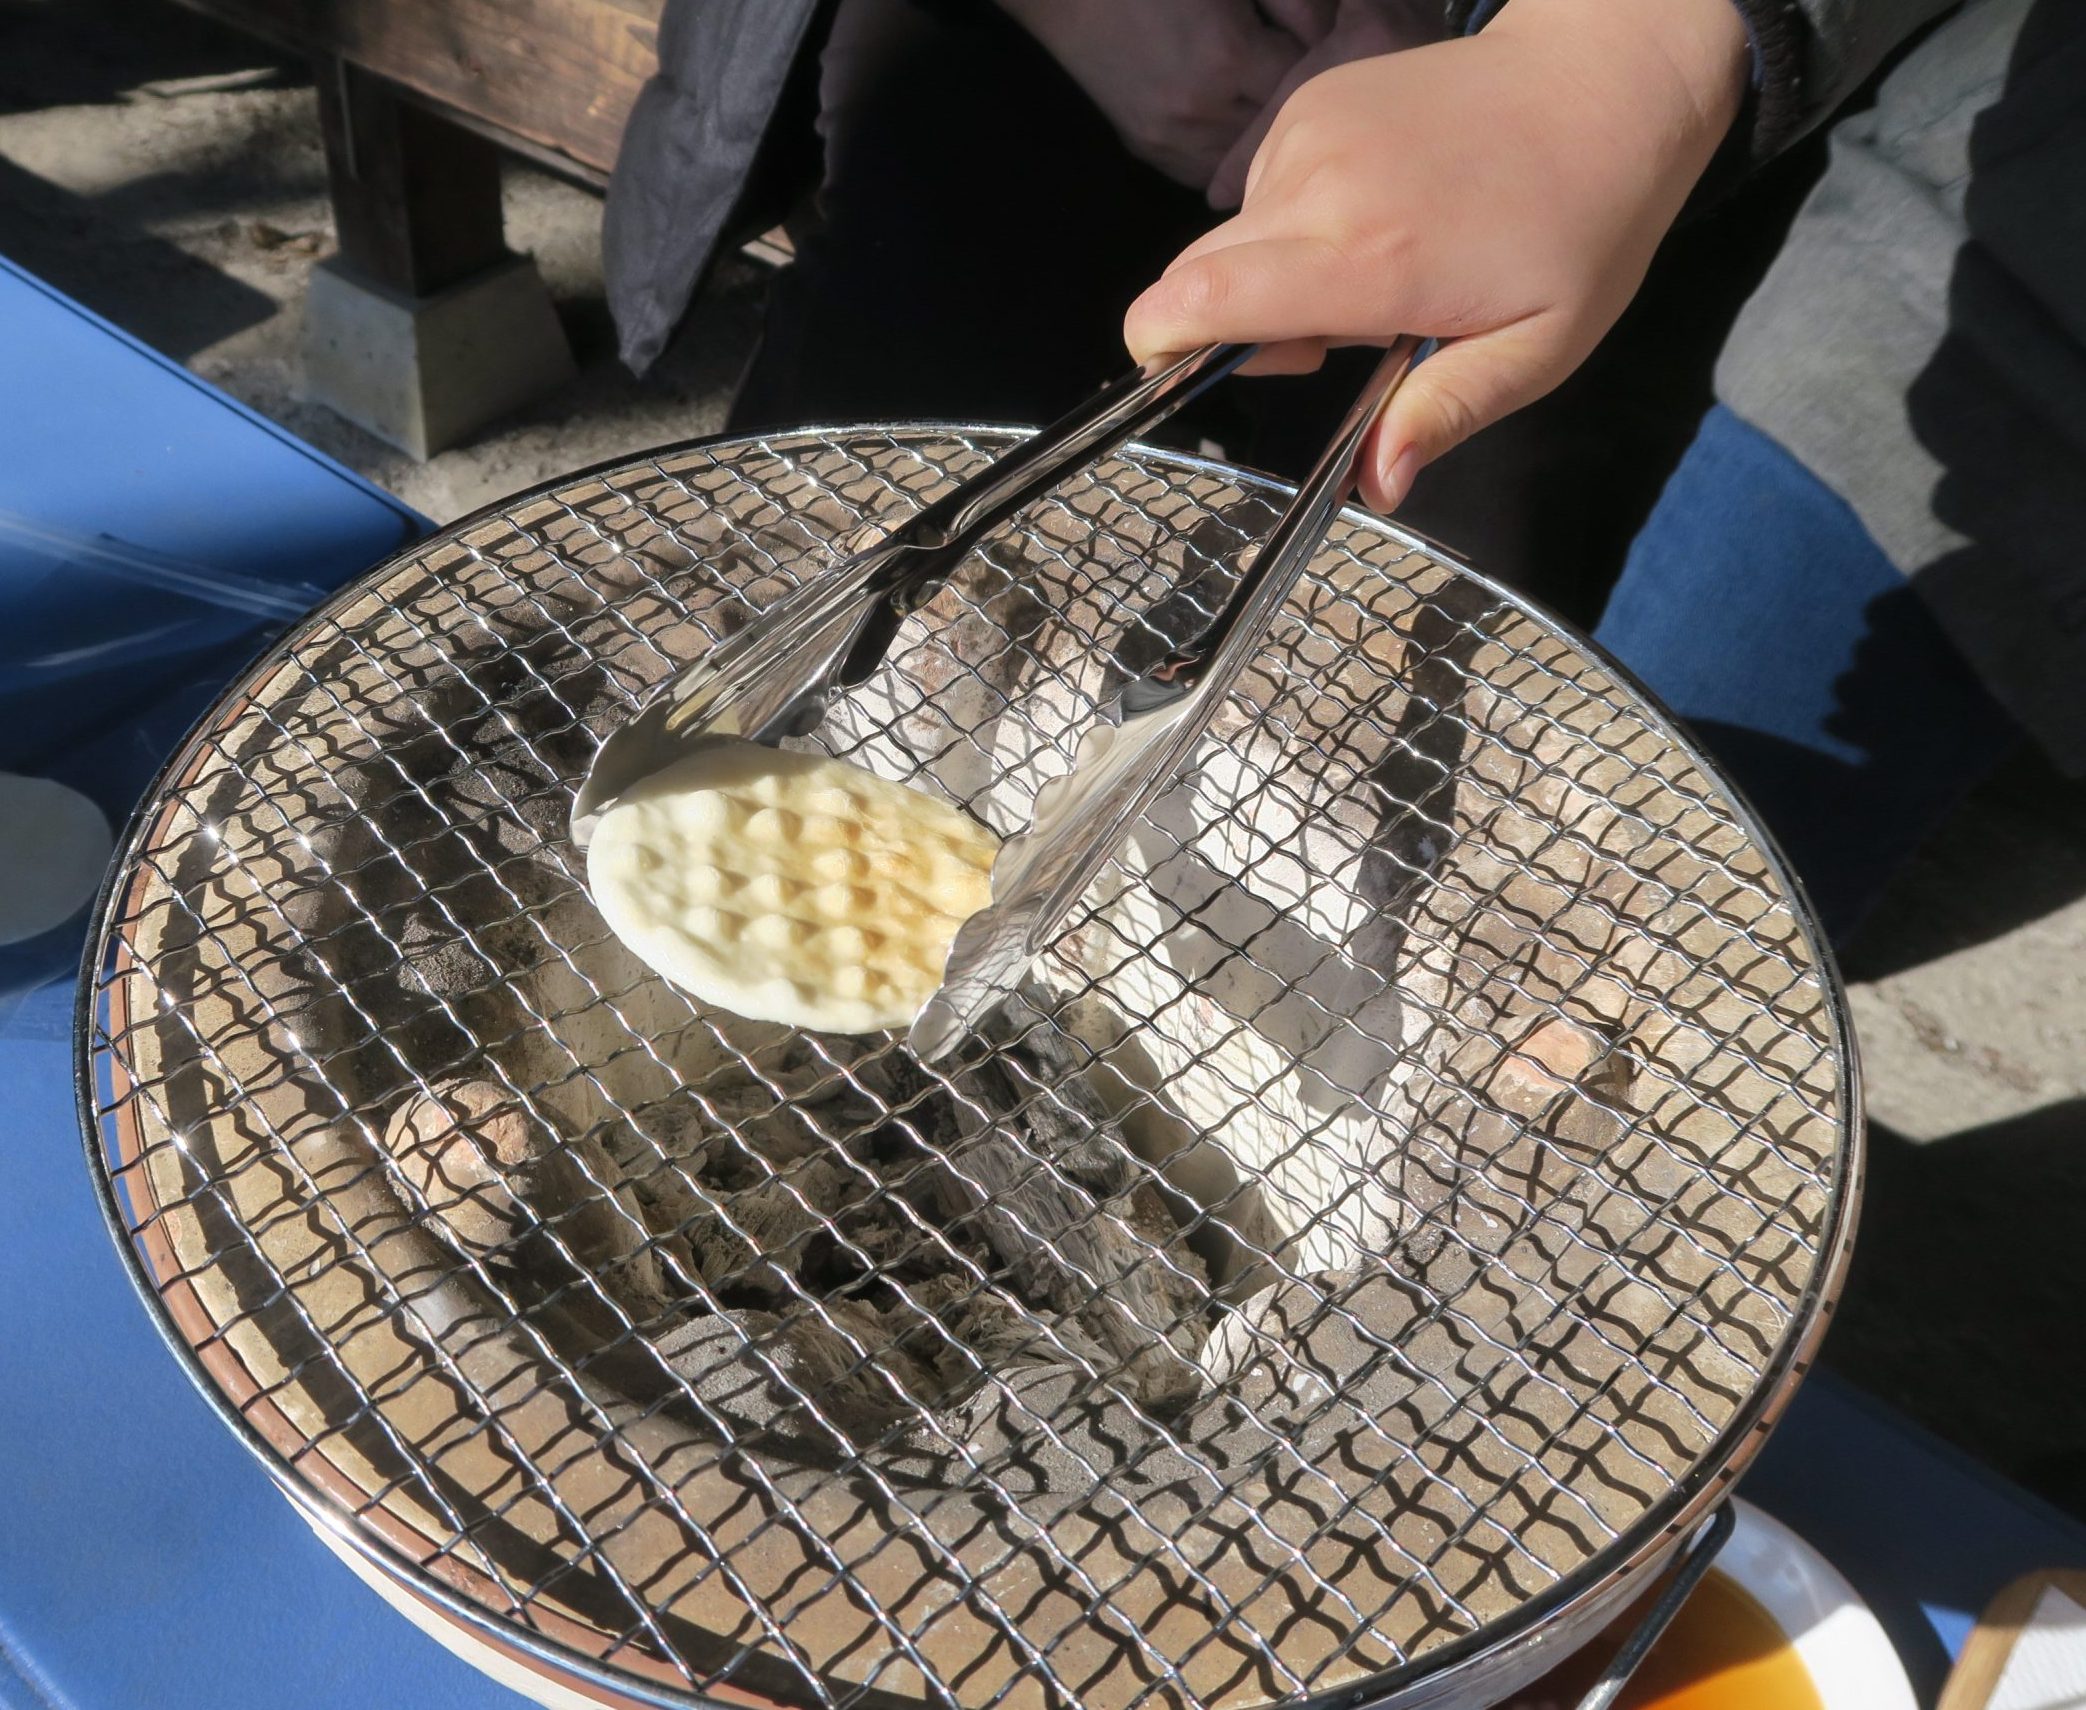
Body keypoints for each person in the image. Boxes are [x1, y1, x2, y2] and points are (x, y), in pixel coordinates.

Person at [606, 0, 2083, 943]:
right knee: (846, 553)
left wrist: (1609, 51)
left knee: (1445, 690)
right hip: (1018, 48)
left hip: (1661, 151)